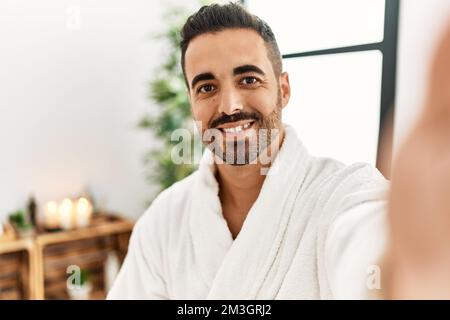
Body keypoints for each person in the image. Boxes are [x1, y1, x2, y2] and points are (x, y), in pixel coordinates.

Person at [107, 3, 450, 299]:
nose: (229, 105)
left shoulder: (342, 194)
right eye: (207, 87)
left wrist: (412, 263)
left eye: (248, 79)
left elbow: (368, 251)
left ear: (283, 90)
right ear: (192, 103)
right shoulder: (164, 220)